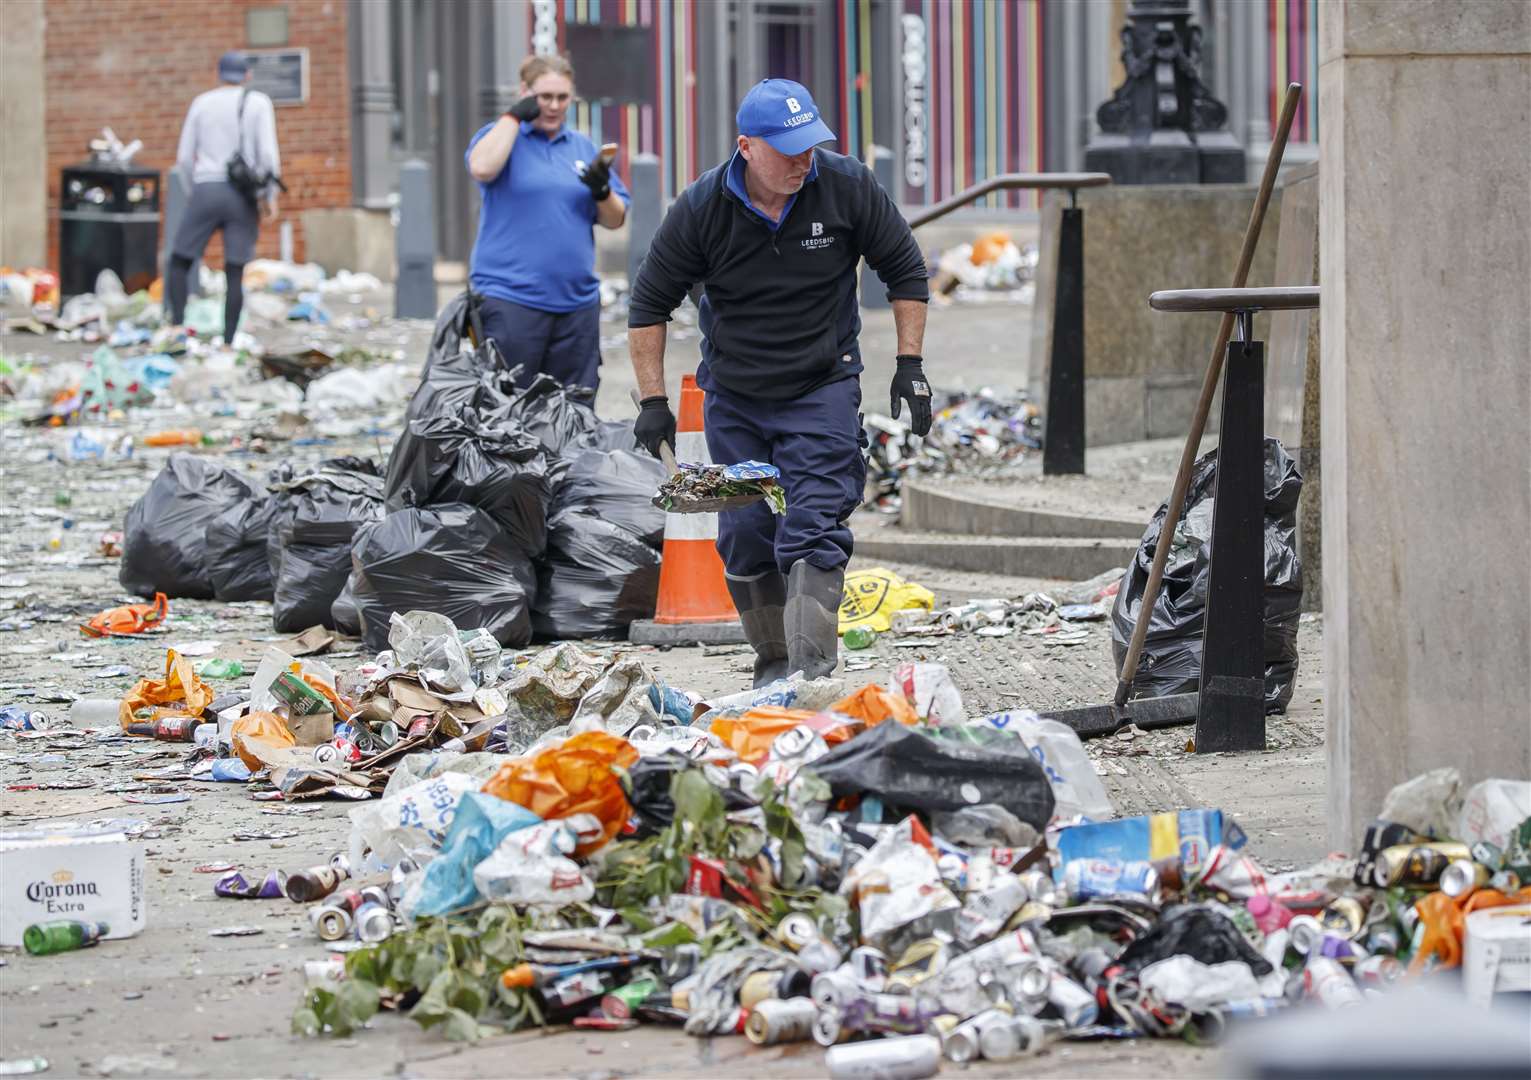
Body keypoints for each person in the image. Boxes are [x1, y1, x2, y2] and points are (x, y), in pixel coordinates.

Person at [627, 78, 932, 687]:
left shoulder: (845, 184)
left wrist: (910, 366)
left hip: (822, 385)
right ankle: (772, 666)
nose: (802, 159)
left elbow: (904, 267)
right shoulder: (701, 208)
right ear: (747, 146)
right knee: (745, 534)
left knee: (812, 523)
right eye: (788, 148)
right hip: (737, 398)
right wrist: (655, 402)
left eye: (810, 144)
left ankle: (810, 676)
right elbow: (648, 304)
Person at [466, 54, 629, 392]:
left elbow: (615, 220)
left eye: (562, 98)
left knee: (573, 414)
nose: (554, 106)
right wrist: (513, 117)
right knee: (508, 412)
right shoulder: (501, 137)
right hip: (511, 299)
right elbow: (482, 167)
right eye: (544, 97)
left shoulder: (581, 146)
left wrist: (601, 190)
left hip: (576, 305)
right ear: (525, 92)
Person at [168, 51, 281, 344]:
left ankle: (178, 327)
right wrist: (269, 197)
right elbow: (268, 157)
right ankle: (229, 340)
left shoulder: (201, 103)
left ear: (218, 73)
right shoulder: (258, 103)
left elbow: (183, 158)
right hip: (241, 195)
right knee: (234, 270)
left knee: (179, 260)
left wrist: (196, 190)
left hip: (205, 187)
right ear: (247, 75)